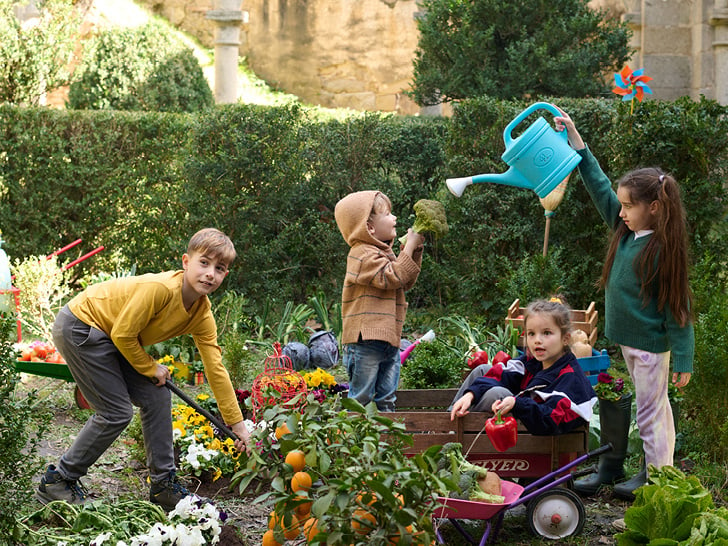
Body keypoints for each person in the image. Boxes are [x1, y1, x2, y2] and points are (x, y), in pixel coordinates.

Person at [36, 228, 251, 510]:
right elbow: (124, 334)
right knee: (116, 411)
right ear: (186, 261)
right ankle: (58, 480)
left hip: (110, 334)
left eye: (220, 268)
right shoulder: (161, 290)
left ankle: (163, 486)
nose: (210, 273)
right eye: (204, 263)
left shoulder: (201, 313)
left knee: (156, 394)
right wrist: (151, 366)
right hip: (82, 325)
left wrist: (238, 426)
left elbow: (215, 368)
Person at [553, 107, 694, 500]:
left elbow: (678, 309)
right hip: (632, 344)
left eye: (629, 206)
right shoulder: (626, 231)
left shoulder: (662, 249)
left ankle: (657, 485)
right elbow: (598, 185)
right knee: (654, 411)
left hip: (650, 348)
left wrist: (683, 357)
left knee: (651, 416)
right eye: (621, 205)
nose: (621, 211)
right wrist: (577, 142)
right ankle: (660, 479)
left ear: (654, 207)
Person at [450, 298, 597, 436]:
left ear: (565, 338)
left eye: (546, 333)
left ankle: (461, 433)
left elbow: (552, 418)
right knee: (483, 370)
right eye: (531, 334)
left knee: (499, 393)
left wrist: (517, 403)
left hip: (532, 430)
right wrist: (471, 394)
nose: (537, 340)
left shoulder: (570, 377)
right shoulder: (533, 362)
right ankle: (446, 425)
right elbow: (502, 373)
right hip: (523, 415)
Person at [334, 191, 425, 412]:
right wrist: (409, 248)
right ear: (369, 227)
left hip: (388, 339)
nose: (394, 218)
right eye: (388, 213)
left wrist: (414, 250)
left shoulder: (382, 253)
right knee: (361, 397)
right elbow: (391, 277)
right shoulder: (361, 254)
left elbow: (405, 280)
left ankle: (386, 443)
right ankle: (351, 440)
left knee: (386, 398)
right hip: (365, 341)